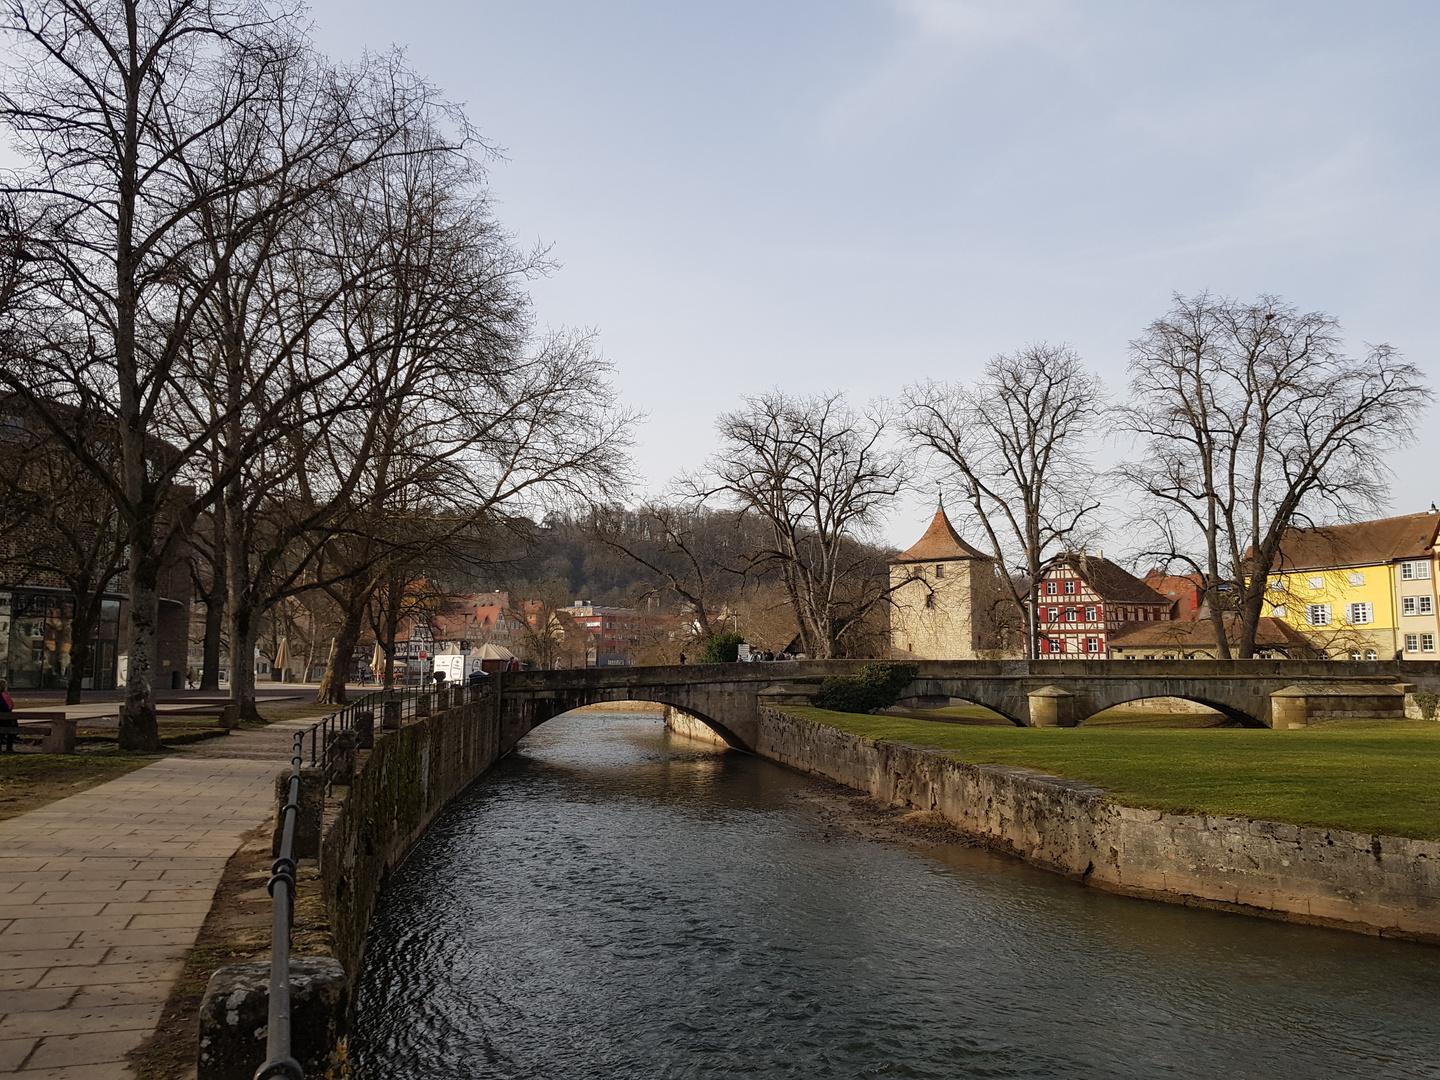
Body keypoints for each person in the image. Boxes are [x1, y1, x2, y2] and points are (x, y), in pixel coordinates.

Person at [0, 680, 15, 753]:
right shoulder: (6, 696)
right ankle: (9, 747)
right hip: (6, 721)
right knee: (12, 724)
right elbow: (10, 707)